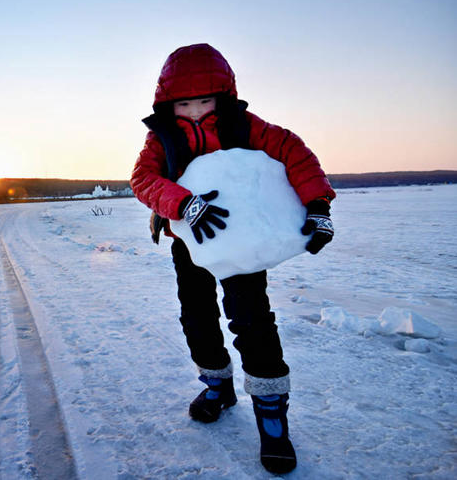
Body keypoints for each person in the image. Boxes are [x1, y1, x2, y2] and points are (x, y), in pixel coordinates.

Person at [130, 43, 335, 474]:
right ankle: (217, 385)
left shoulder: (246, 126)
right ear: (168, 102)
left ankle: (271, 414)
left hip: (242, 245)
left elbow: (293, 152)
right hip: (191, 241)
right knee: (197, 316)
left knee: (251, 320)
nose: (195, 111)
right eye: (184, 103)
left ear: (223, 96)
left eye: (205, 100)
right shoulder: (160, 138)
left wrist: (318, 205)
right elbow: (143, 179)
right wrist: (183, 204)